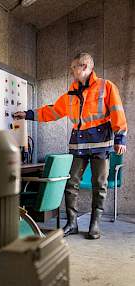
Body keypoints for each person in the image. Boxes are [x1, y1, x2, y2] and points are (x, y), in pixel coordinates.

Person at [14, 52, 127, 239]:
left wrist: (120, 138)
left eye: (74, 67)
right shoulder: (71, 94)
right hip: (79, 144)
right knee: (70, 183)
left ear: (84, 66)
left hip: (101, 144)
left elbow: (117, 112)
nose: (71, 70)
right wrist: (28, 114)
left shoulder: (106, 87)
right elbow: (52, 111)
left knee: (99, 184)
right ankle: (72, 223)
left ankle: (95, 224)